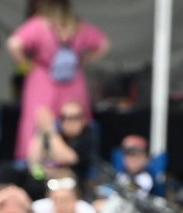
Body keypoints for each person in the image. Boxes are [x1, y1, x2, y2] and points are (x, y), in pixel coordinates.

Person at [7, 0, 109, 162]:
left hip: (43, 81)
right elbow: (104, 44)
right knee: (75, 119)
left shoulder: (39, 25)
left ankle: (32, 162)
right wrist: (82, 61)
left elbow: (14, 44)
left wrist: (26, 65)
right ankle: (78, 158)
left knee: (38, 122)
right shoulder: (79, 26)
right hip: (73, 81)